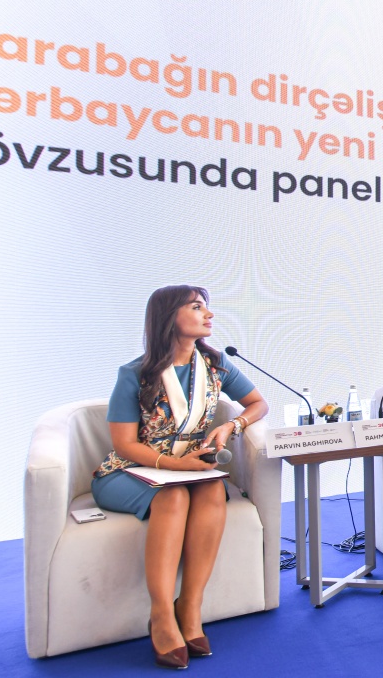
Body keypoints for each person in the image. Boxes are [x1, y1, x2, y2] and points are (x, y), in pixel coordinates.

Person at [91, 286, 269, 669]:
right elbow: (124, 445)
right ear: (170, 316)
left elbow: (258, 403)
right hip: (128, 471)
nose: (209, 315)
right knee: (173, 497)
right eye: (197, 307)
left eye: (207, 308)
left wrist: (232, 426)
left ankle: (189, 606)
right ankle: (160, 614)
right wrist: (175, 466)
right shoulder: (135, 374)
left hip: (189, 469)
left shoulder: (217, 365)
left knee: (213, 490)